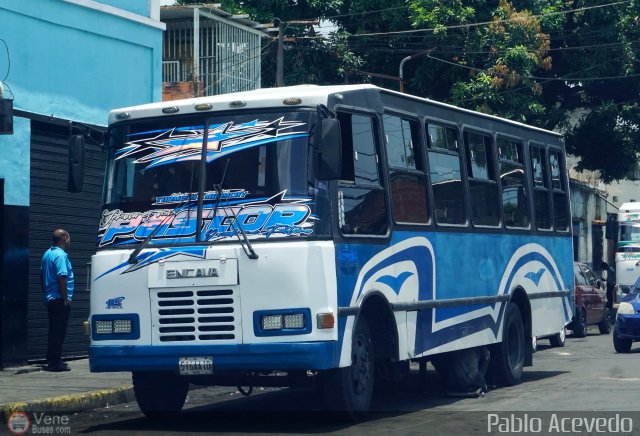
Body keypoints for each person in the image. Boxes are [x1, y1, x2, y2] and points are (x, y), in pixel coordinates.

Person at [41, 228, 74, 372]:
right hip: (60, 299)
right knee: (58, 332)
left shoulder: (47, 254)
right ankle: (55, 363)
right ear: (65, 238)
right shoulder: (61, 256)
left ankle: (53, 359)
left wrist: (46, 293)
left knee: (54, 331)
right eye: (69, 237)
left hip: (50, 298)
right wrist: (65, 298)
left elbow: (41, 276)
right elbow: (62, 277)